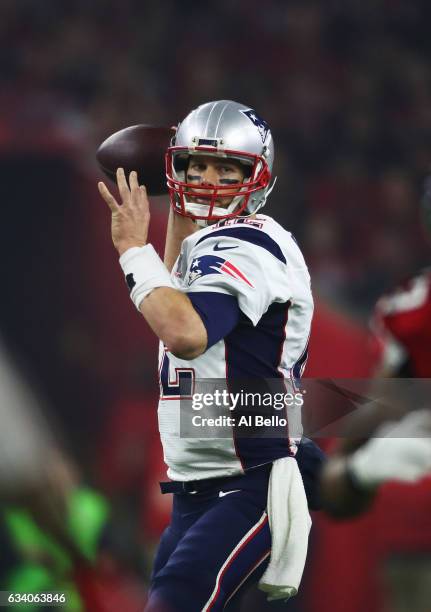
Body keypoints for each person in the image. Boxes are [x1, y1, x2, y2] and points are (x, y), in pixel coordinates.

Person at [98, 100, 319, 611]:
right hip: (196, 490)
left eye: (226, 168)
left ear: (256, 177)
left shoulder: (249, 245)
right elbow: (174, 286)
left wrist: (133, 248)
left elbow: (186, 332)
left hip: (248, 484)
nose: (207, 180)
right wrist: (175, 207)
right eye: (195, 167)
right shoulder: (209, 246)